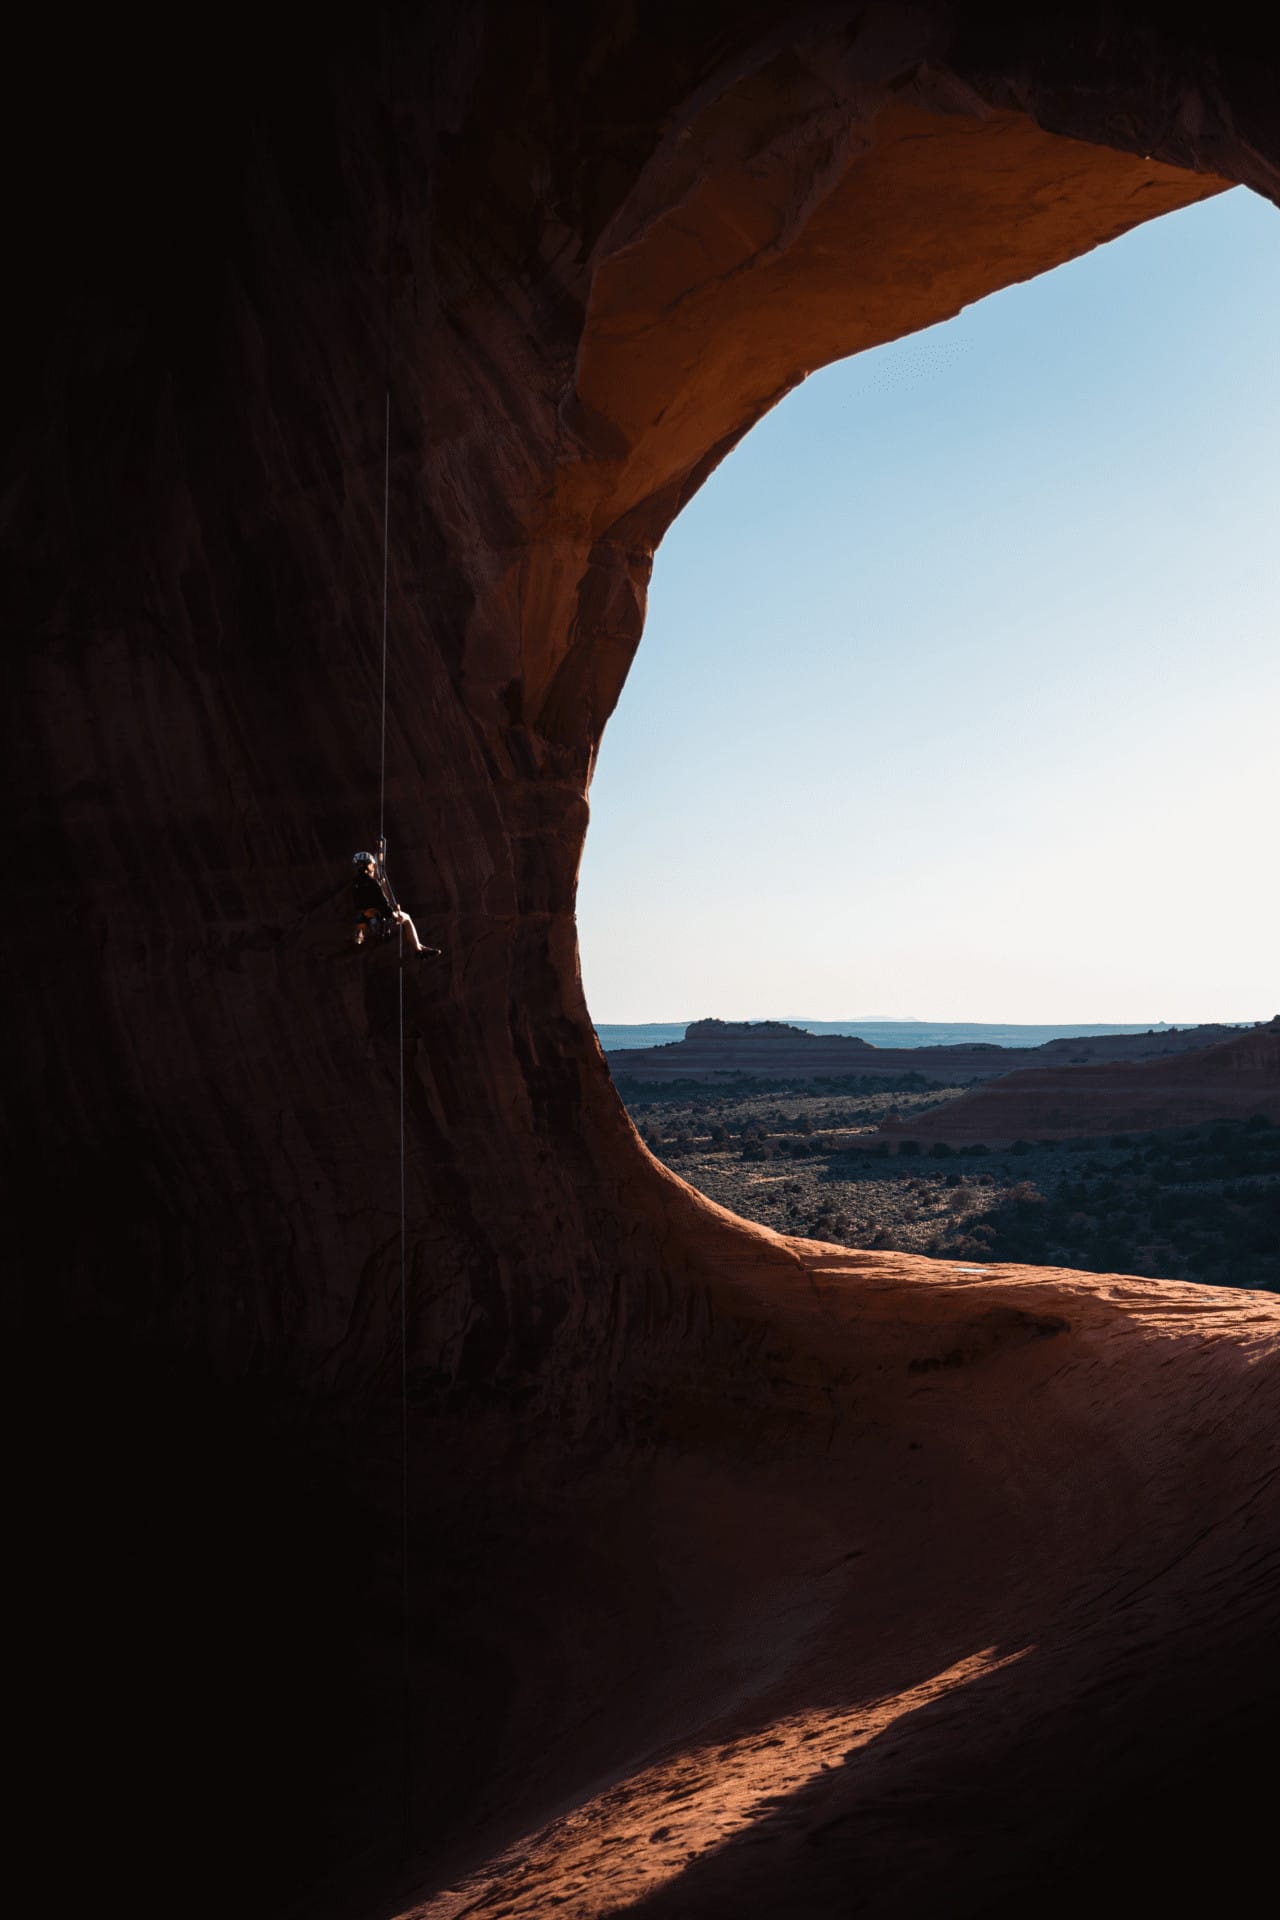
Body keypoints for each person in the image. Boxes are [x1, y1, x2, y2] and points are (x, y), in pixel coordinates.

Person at [351, 850, 440, 958]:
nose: (374, 867)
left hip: (365, 920)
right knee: (406, 918)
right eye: (372, 864)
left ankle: (420, 947)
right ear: (368, 866)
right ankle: (418, 950)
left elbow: (359, 905)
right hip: (380, 918)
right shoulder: (372, 883)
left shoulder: (355, 883)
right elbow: (382, 902)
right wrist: (393, 913)